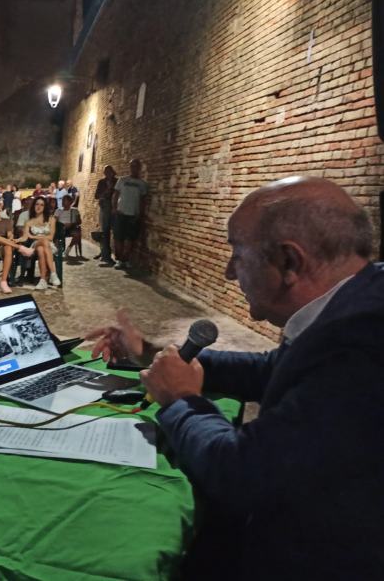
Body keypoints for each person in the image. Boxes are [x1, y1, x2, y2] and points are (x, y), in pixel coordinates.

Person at [85, 176, 383, 580]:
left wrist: (181, 401)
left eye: (237, 253)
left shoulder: (361, 341)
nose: (228, 272)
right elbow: (271, 369)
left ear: (289, 262)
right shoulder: (358, 301)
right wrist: (152, 352)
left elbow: (242, 474)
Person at [112, 159, 148, 269]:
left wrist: (140, 214)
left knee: (130, 239)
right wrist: (114, 208)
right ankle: (118, 260)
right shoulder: (122, 180)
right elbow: (116, 195)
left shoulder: (142, 184)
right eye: (132, 166)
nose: (134, 168)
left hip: (133, 215)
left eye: (136, 166)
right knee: (119, 238)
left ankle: (126, 259)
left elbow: (143, 200)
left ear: (139, 168)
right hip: (121, 213)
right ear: (130, 167)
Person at [21, 196, 61, 290]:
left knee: (41, 249)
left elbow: (51, 237)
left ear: (45, 207)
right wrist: (15, 240)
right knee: (42, 243)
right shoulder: (29, 222)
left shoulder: (51, 219)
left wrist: (34, 236)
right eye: (37, 204)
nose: (39, 207)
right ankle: (53, 273)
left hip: (49, 245)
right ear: (34, 206)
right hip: (35, 244)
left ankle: (43, 280)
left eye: (42, 205)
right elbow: (25, 237)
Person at [95, 165, 117, 264]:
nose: (107, 173)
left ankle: (113, 254)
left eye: (109, 171)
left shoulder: (117, 182)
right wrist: (105, 192)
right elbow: (96, 195)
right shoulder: (101, 182)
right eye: (106, 172)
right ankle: (105, 254)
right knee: (105, 231)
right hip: (105, 208)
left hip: (115, 209)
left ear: (112, 172)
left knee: (115, 231)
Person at [55, 194, 82, 258]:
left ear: (70, 202)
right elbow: (54, 221)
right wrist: (61, 225)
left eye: (65, 200)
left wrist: (72, 223)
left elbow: (79, 222)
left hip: (71, 228)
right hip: (60, 228)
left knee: (78, 234)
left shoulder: (75, 210)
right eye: (62, 200)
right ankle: (58, 249)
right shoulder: (58, 210)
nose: (62, 202)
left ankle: (68, 250)